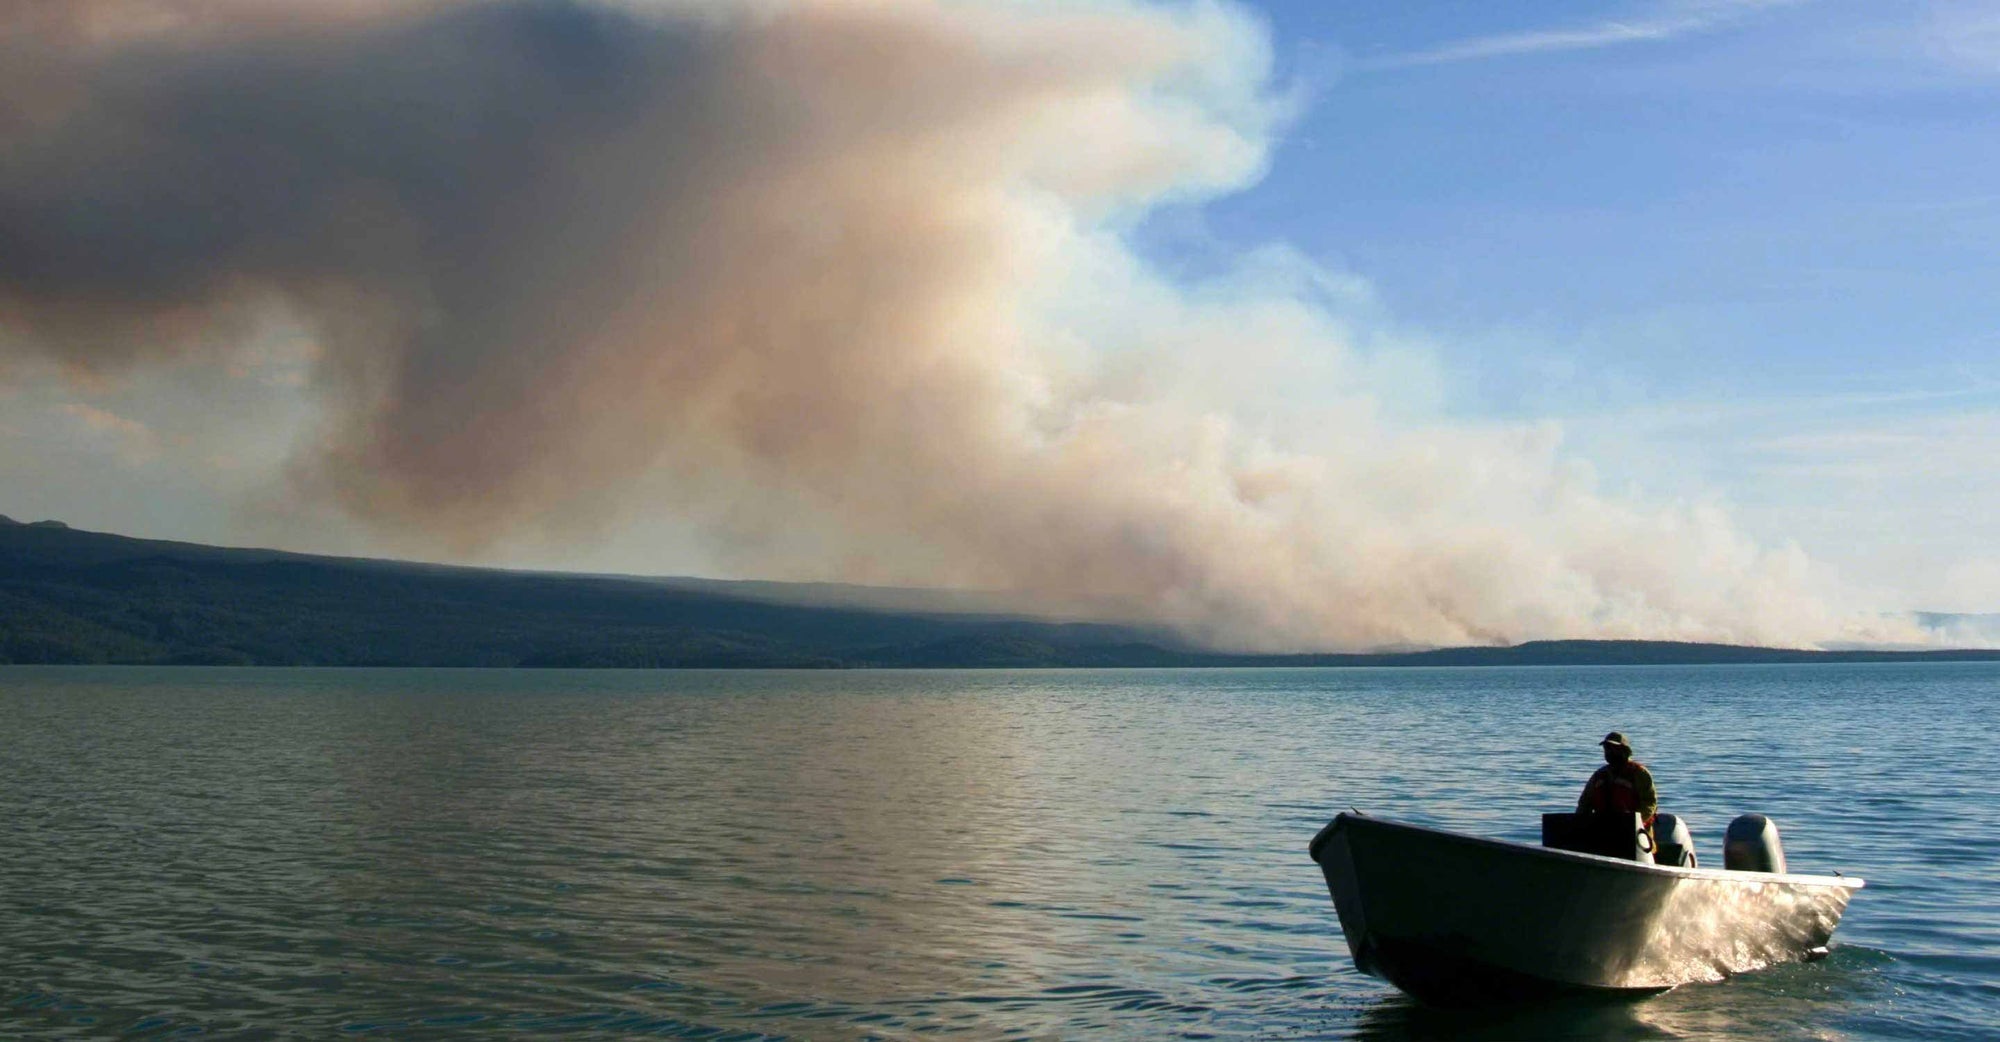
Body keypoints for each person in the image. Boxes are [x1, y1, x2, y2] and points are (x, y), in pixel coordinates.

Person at [1578, 731, 1658, 842]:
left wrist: (1633, 822)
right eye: (1607, 748)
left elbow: (1650, 803)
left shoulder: (1639, 773)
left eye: (1613, 748)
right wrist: (1580, 824)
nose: (1609, 752)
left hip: (1635, 837)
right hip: (1603, 833)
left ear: (1624, 750)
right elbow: (1584, 803)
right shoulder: (1599, 775)